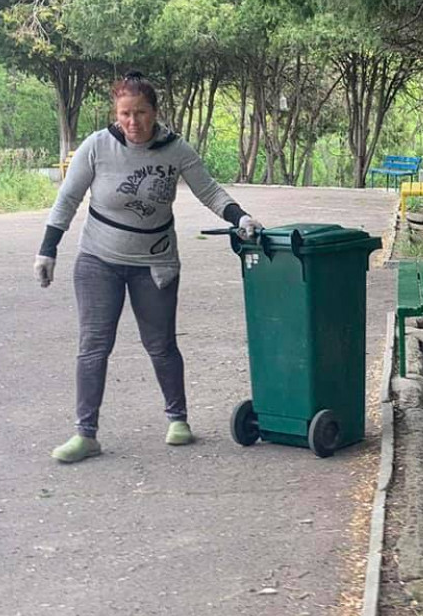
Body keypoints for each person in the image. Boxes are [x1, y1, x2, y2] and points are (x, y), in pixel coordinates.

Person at [34, 71, 263, 464]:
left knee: (161, 344)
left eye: (140, 112)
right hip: (98, 260)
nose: (133, 122)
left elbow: (208, 190)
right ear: (116, 114)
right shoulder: (97, 146)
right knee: (93, 347)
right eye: (125, 113)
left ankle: (178, 419)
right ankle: (85, 434)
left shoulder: (175, 149)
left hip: (155, 262)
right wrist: (47, 249)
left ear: (155, 112)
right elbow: (68, 198)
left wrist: (239, 217)